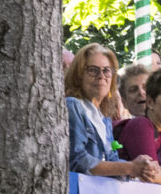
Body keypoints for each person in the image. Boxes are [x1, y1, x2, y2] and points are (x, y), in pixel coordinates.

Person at [66, 43, 155, 184]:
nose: (101, 76)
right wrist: (130, 168)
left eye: (106, 70)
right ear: (78, 75)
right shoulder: (73, 105)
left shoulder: (104, 117)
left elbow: (111, 160)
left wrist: (142, 166)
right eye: (92, 70)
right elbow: (78, 161)